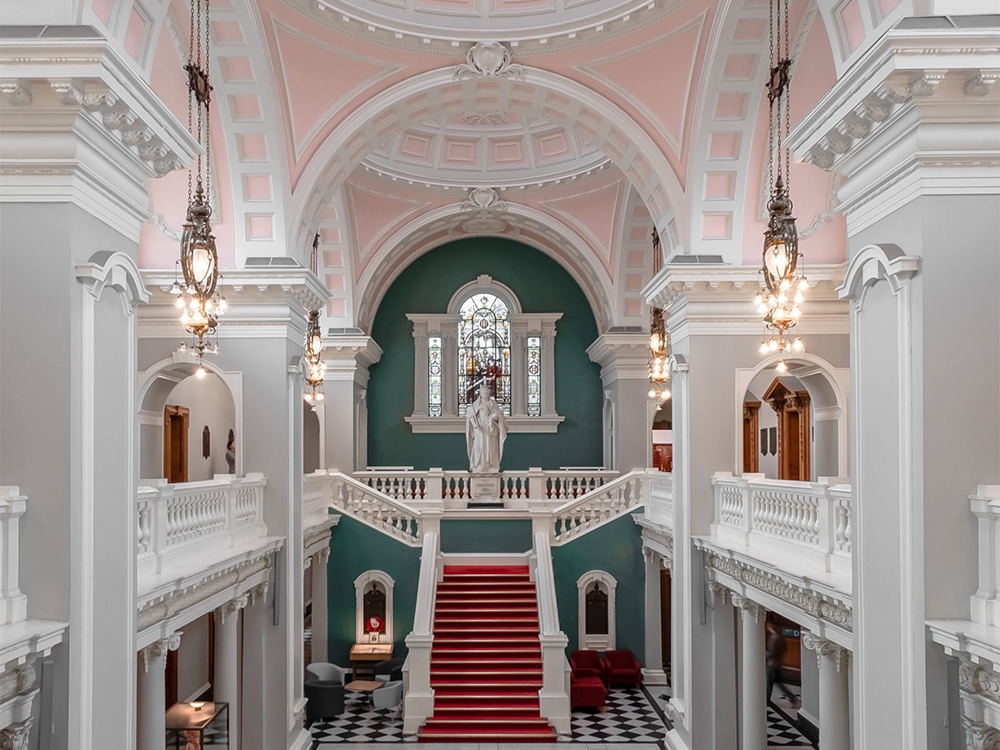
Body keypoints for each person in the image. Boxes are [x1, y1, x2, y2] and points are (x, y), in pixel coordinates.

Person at [765, 620, 799, 706]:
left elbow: (771, 653)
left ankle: (766, 700)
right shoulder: (781, 637)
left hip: (772, 664)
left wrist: (765, 653)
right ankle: (792, 697)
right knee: (778, 683)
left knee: (769, 683)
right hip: (778, 663)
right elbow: (784, 649)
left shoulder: (774, 638)